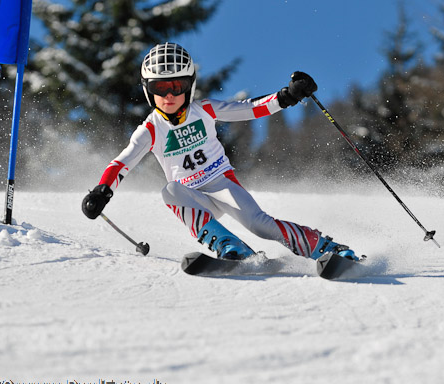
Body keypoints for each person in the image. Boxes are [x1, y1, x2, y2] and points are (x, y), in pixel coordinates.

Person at [82, 42, 358, 261]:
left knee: (260, 225)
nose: (169, 95)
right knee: (169, 191)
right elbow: (122, 162)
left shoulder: (204, 110)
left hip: (221, 184)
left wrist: (287, 96)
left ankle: (327, 248)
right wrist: (101, 191)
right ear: (148, 90)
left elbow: (252, 108)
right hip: (193, 196)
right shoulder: (150, 129)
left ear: (188, 86)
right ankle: (231, 248)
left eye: (176, 86)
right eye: (160, 88)